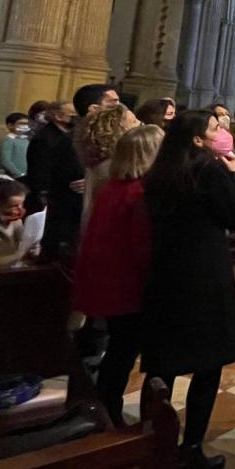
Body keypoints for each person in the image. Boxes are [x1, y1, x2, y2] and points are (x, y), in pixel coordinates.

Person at [142, 110, 235, 469]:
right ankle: (190, 453)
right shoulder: (207, 169)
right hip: (203, 273)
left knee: (162, 365)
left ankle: (151, 443)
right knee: (208, 363)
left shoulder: (160, 170)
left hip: (165, 271)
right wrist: (231, 175)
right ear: (198, 140)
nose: (222, 131)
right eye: (215, 128)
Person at [73, 124, 163, 426]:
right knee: (123, 352)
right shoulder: (138, 192)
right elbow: (142, 247)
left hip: (107, 279)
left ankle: (105, 406)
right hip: (126, 284)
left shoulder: (113, 186)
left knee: (119, 349)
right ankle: (108, 412)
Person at [28, 101, 84, 259]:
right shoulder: (45, 137)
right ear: (58, 116)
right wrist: (42, 192)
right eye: (71, 114)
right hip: (54, 194)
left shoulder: (69, 134)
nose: (75, 117)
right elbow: (40, 168)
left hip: (67, 194)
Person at [76, 104, 139, 231]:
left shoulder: (99, 159)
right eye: (134, 121)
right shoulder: (114, 165)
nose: (140, 124)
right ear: (120, 128)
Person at [0, 112, 31, 178]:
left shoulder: (25, 140)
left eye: (27, 124)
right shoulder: (8, 140)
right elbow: (5, 161)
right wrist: (19, 174)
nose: (25, 126)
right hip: (14, 177)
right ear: (10, 125)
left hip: (26, 175)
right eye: (21, 123)